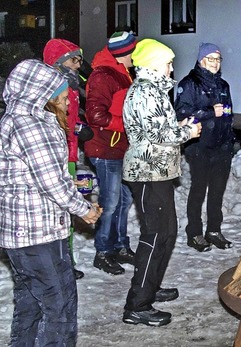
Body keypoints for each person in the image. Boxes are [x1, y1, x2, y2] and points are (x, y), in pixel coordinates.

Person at [0, 59, 101, 346]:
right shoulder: (31, 125)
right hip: (36, 234)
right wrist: (85, 210)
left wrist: (70, 184)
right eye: (62, 94)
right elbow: (49, 182)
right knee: (60, 309)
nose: (68, 100)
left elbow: (29, 176)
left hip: (28, 232)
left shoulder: (17, 119)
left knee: (31, 305)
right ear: (42, 93)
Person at [121, 38, 201, 326]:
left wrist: (178, 126)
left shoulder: (153, 91)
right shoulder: (145, 93)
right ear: (154, 64)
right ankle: (137, 305)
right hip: (147, 172)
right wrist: (188, 132)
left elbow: (158, 129)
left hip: (159, 171)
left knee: (167, 233)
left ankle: (150, 287)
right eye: (168, 63)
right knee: (155, 236)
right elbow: (158, 137)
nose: (171, 68)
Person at [85, 31, 137, 275]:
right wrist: (126, 123)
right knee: (111, 201)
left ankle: (119, 245)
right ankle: (103, 252)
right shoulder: (103, 76)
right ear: (123, 53)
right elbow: (95, 115)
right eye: (133, 51)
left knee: (124, 200)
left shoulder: (122, 73)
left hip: (119, 148)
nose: (136, 56)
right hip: (105, 149)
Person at [175, 42, 234, 252]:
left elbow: (228, 114)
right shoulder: (189, 83)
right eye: (211, 59)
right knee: (198, 190)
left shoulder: (223, 85)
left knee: (217, 191)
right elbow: (181, 114)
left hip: (222, 147)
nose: (215, 63)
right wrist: (209, 111)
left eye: (218, 59)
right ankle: (195, 233)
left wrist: (229, 140)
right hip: (199, 145)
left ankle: (214, 231)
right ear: (201, 60)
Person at [43, 38, 89, 280]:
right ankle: (59, 263)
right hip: (54, 156)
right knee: (58, 210)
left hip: (69, 152)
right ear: (58, 63)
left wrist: (79, 128)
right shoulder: (48, 89)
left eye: (79, 60)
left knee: (66, 213)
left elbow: (70, 119)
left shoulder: (71, 85)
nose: (78, 66)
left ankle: (66, 261)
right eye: (74, 60)